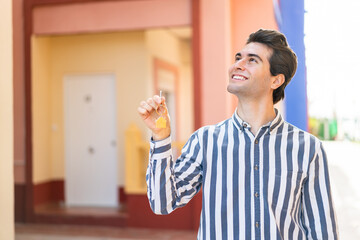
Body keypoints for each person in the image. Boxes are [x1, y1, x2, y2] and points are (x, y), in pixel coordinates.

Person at [137, 29, 338, 240]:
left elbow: (322, 230)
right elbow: (162, 203)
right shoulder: (205, 141)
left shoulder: (307, 147)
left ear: (275, 81)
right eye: (238, 58)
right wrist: (161, 136)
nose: (237, 65)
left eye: (252, 60)